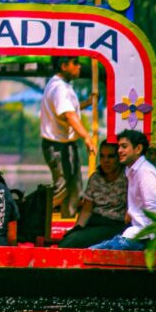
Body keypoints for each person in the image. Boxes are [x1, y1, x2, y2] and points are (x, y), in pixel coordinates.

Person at [90, 129, 156, 251]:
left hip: (142, 238)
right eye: (119, 147)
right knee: (92, 251)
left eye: (124, 146)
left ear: (138, 149)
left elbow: (154, 209)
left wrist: (154, 247)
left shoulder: (144, 172)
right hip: (134, 235)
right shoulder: (132, 171)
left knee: (92, 253)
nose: (119, 151)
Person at [40, 55, 97, 216]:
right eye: (75, 63)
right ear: (64, 66)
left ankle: (68, 221)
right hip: (58, 146)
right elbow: (69, 115)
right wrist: (86, 137)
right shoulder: (59, 88)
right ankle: (34, 214)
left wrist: (87, 103)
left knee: (74, 187)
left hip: (65, 145)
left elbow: (70, 109)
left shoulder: (61, 86)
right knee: (62, 189)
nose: (79, 67)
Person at [58, 140, 127, 248]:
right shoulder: (95, 178)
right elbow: (87, 210)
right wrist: (77, 228)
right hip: (94, 223)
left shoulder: (127, 178)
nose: (105, 161)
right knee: (69, 239)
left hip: (114, 225)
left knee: (70, 242)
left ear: (119, 158)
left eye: (111, 156)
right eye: (102, 156)